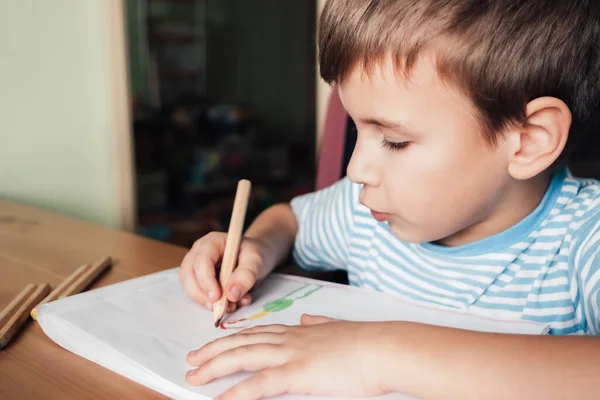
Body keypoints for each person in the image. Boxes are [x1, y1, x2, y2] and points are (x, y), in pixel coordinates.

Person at [179, 1, 600, 398]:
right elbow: (290, 221)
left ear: (527, 141)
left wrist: (377, 351)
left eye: (395, 141)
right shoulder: (368, 214)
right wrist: (255, 248)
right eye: (357, 131)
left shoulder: (585, 235)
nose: (356, 169)